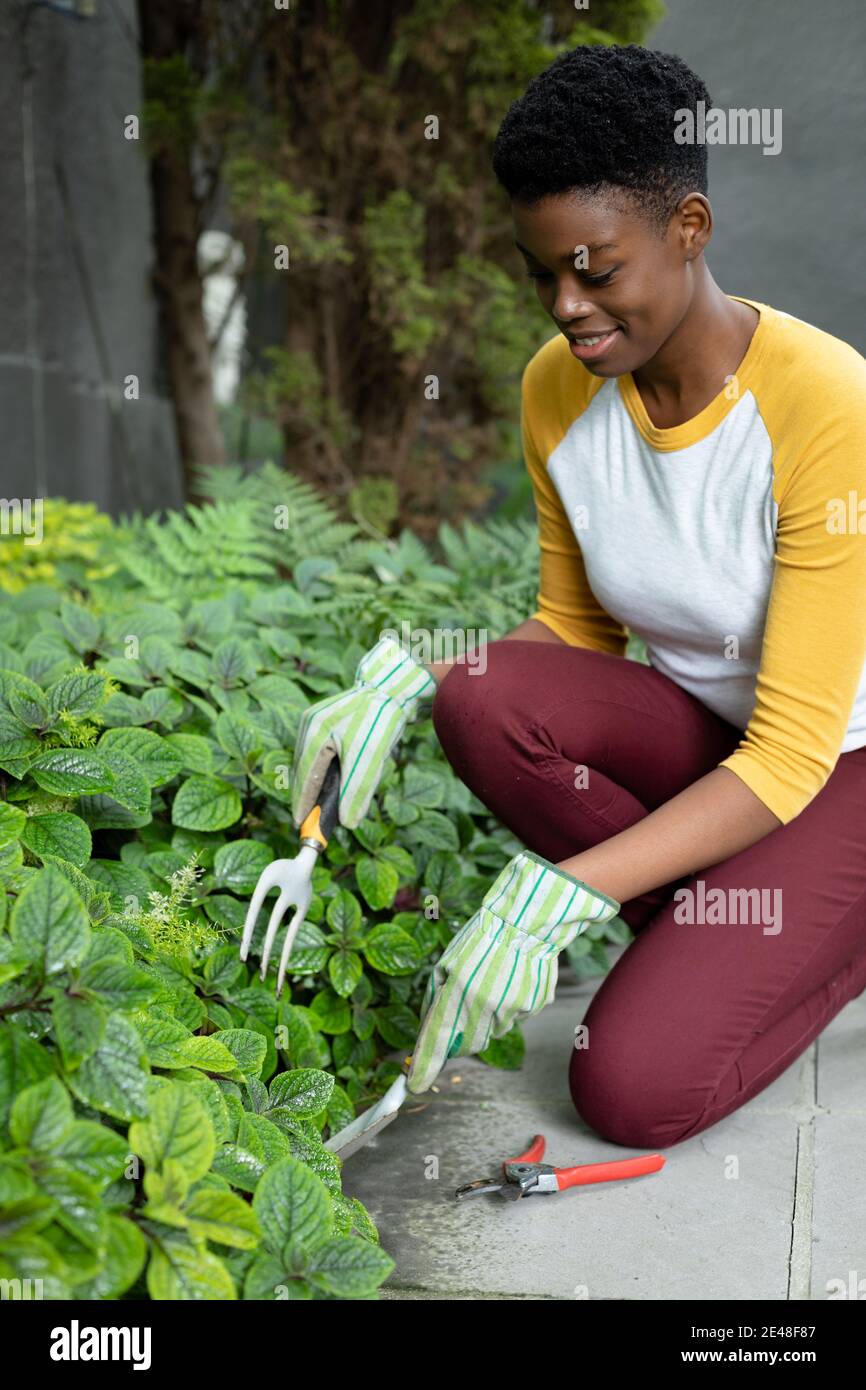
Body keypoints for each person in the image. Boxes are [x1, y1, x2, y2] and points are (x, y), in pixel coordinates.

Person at [291, 44, 866, 1149]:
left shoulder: (824, 407)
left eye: (594, 270)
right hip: (724, 744)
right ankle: (740, 933)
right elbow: (570, 629)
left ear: (687, 229)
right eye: (540, 272)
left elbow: (795, 750)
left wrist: (565, 888)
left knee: (629, 1090)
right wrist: (412, 671)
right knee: (478, 696)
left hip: (839, 763)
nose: (564, 305)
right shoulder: (562, 386)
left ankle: (825, 934)